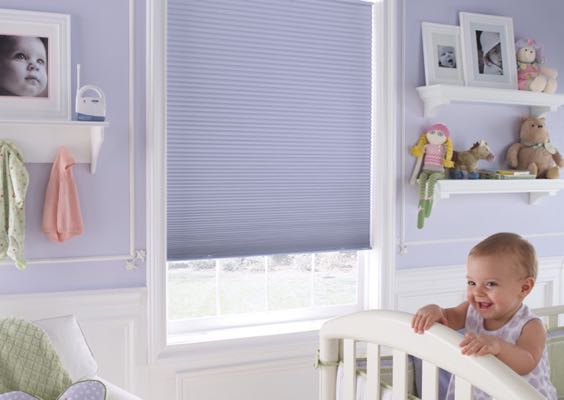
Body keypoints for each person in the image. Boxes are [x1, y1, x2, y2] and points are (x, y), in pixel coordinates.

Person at [411, 232, 557, 399]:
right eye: (471, 283)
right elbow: (445, 318)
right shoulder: (470, 311)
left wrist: (498, 347)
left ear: (524, 288)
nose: (477, 292)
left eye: (490, 284)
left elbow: (527, 362)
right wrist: (435, 310)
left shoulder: (530, 325)